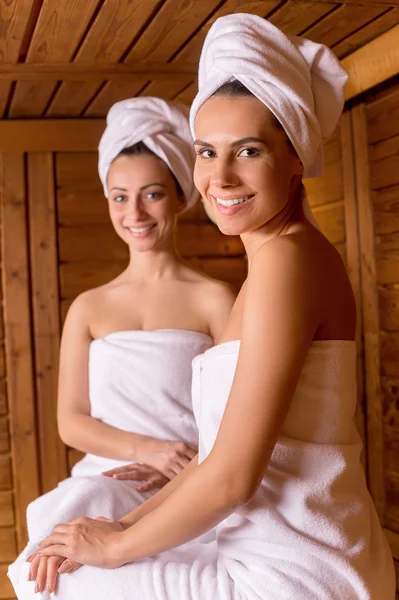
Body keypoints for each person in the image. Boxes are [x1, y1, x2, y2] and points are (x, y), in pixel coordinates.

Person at [10, 15, 395, 600]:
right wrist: (119, 525)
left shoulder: (288, 263)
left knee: (57, 576)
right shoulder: (274, 265)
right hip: (271, 542)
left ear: (296, 155)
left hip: (290, 569)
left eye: (248, 150)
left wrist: (112, 547)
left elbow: (231, 478)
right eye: (207, 152)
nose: (220, 176)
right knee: (57, 545)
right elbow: (218, 457)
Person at [8, 97, 235, 596]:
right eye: (118, 196)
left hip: (191, 480)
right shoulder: (88, 308)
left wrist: (185, 466)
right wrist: (150, 451)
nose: (134, 213)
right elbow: (72, 422)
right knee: (54, 560)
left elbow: (239, 414)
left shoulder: (215, 300)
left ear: (180, 196)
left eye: (152, 194)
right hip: (108, 474)